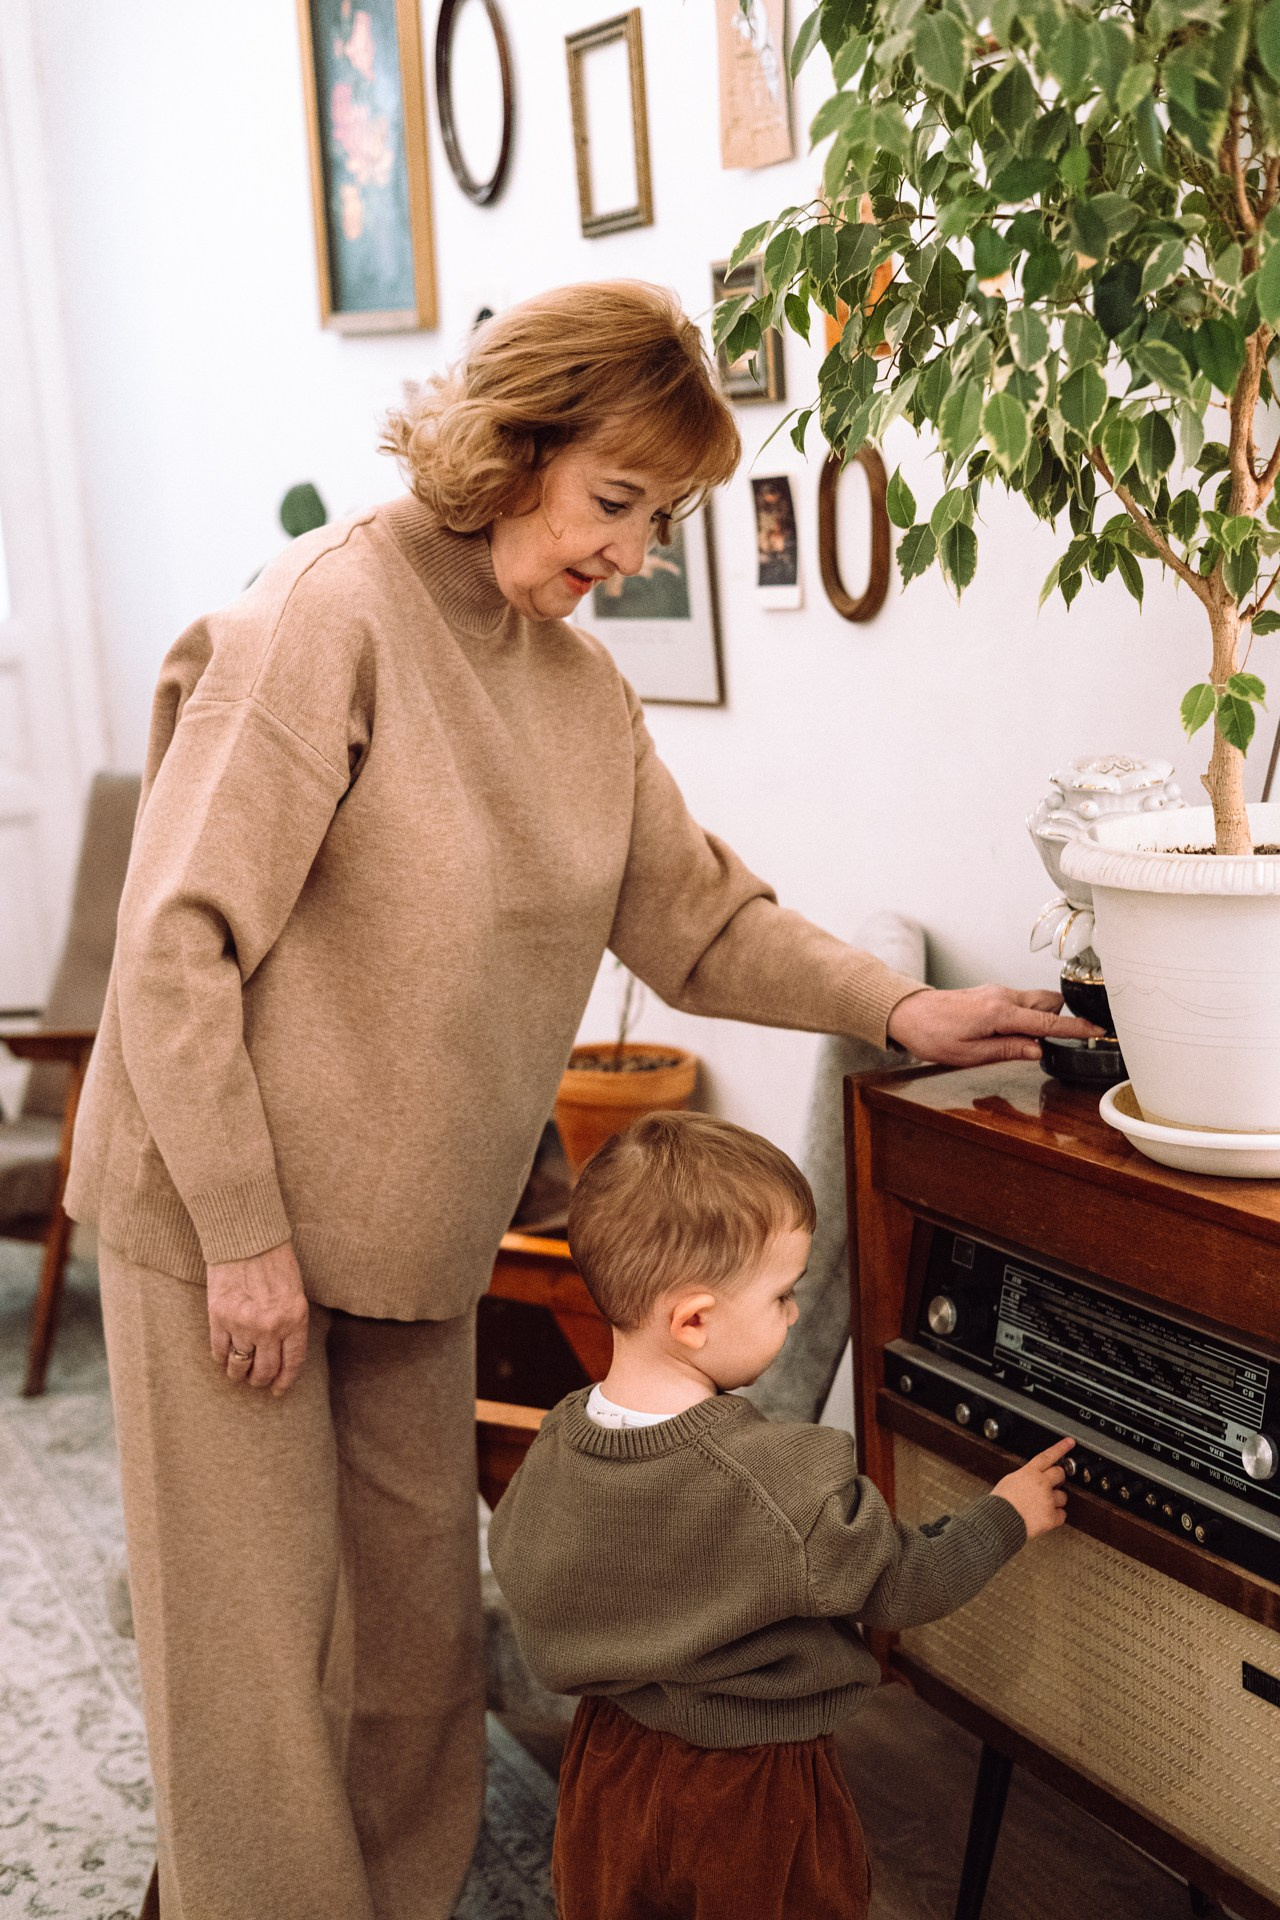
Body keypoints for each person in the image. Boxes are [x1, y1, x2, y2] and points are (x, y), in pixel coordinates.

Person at [65, 280, 1093, 1920]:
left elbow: (700, 918)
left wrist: (905, 1002)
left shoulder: (578, 692)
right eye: (615, 500)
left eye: (658, 518)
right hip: (222, 1222)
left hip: (406, 1242)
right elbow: (174, 948)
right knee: (255, 1674)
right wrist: (244, 1238)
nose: (631, 553)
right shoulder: (322, 617)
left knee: (414, 1648)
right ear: (510, 444)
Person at [488, 1112, 1073, 1920]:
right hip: (751, 1788)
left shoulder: (559, 1439)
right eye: (782, 1294)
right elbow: (905, 1582)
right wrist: (1007, 1513)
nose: (795, 1313)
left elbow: (520, 1563)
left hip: (606, 1768)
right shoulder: (781, 1479)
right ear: (693, 1320)